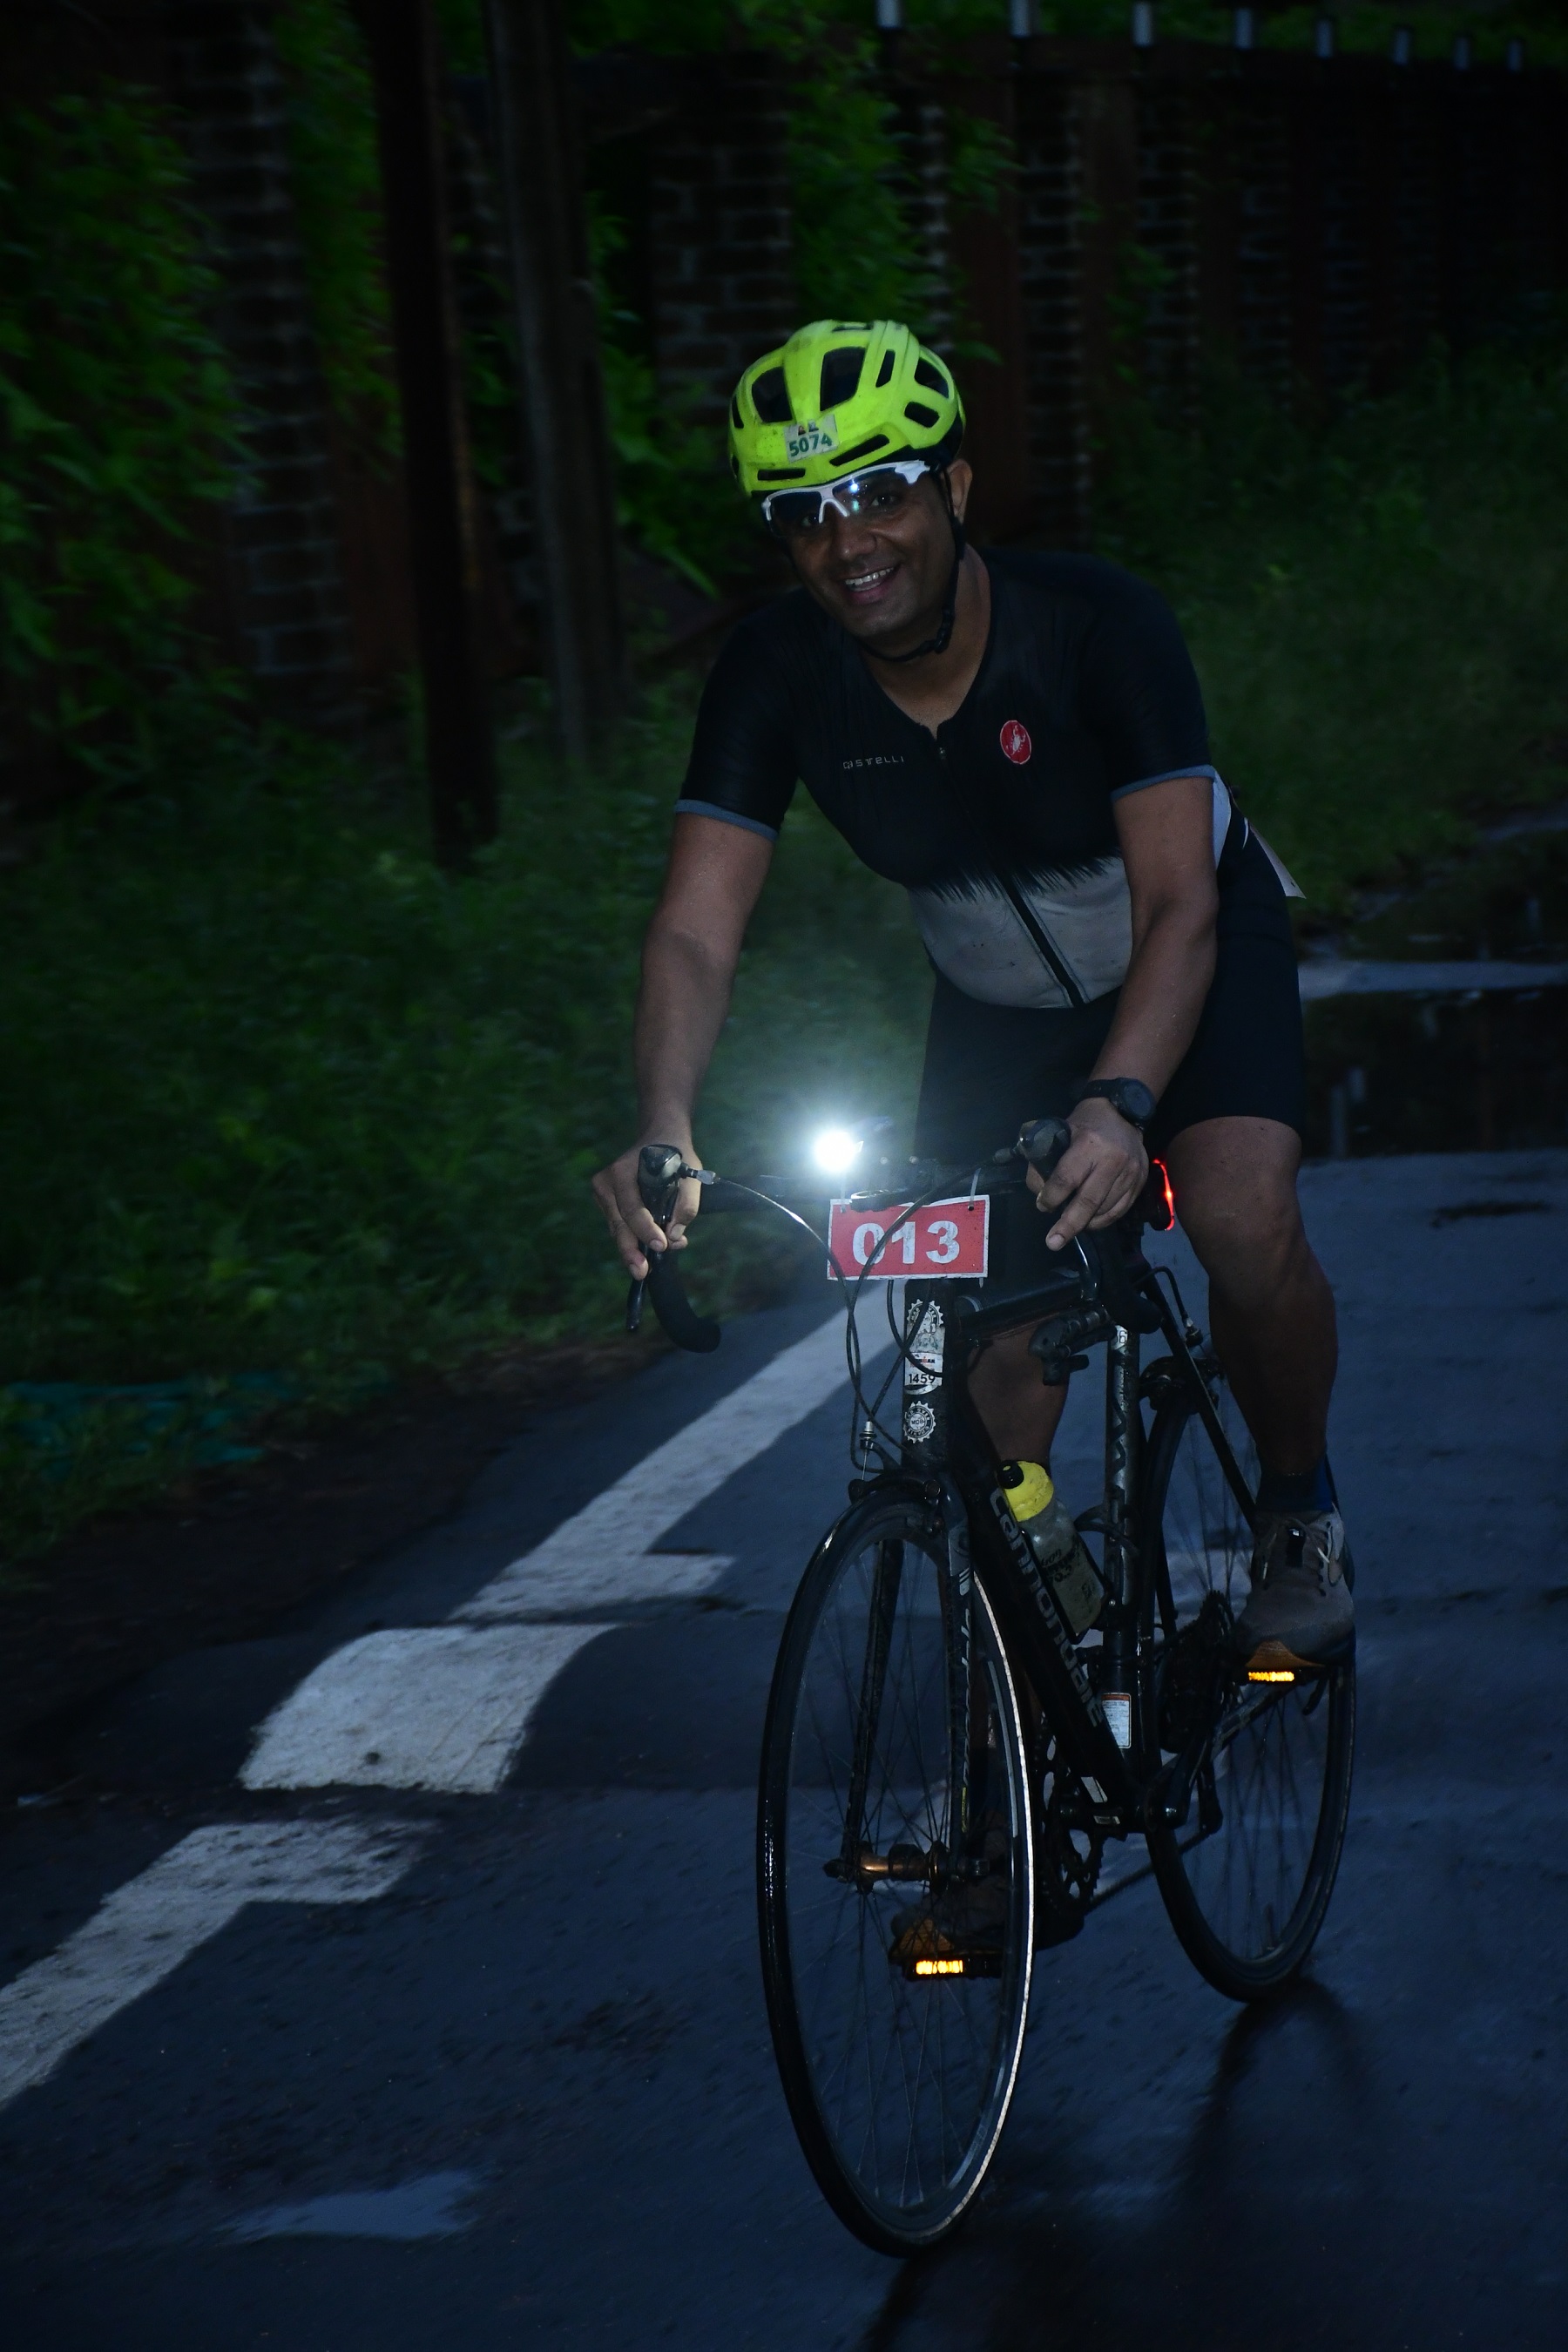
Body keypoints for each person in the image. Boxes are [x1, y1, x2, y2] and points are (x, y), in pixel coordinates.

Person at [591, 318, 1351, 1671]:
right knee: (988, 1368)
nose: (847, 542)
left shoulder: (1095, 623)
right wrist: (666, 1122)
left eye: (879, 491)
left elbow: (1179, 905)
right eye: (803, 514)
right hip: (996, 1008)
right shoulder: (777, 672)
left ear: (953, 486)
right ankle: (1032, 1718)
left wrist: (1121, 1104)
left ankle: (1297, 1513)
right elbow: (697, 929)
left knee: (1237, 1212)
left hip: (1184, 944)